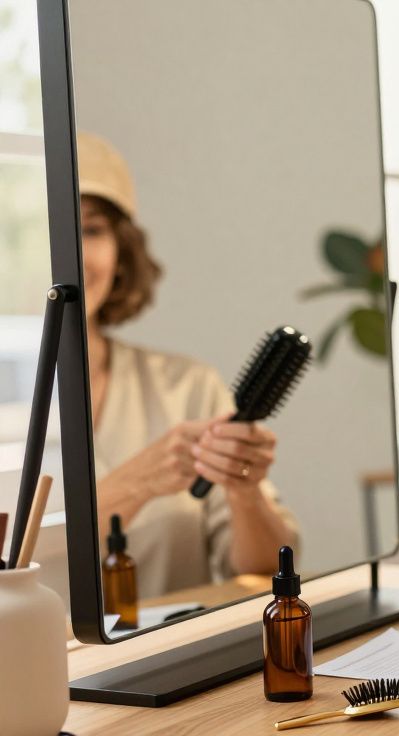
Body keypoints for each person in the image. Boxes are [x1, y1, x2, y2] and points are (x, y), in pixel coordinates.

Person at [78, 132, 298, 598]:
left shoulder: (188, 387)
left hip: (178, 643)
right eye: (47, 231)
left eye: (90, 229)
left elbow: (268, 570)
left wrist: (244, 493)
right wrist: (134, 484)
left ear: (121, 253)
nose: (69, 254)